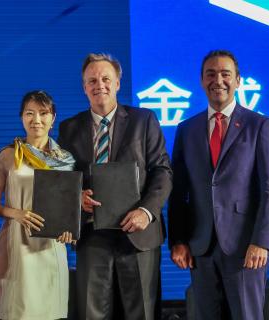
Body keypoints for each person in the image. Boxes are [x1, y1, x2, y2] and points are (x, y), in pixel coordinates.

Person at [168, 50, 269, 320]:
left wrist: (262, 242)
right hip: (201, 248)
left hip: (246, 248)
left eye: (225, 74)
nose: (217, 80)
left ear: (238, 81)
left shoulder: (259, 125)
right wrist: (178, 240)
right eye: (210, 74)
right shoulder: (186, 129)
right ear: (201, 81)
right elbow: (178, 192)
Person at [58, 53, 172, 320]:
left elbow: (163, 171)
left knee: (141, 312)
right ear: (84, 87)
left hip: (138, 234)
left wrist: (146, 211)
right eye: (92, 80)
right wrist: (76, 196)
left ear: (118, 83)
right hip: (91, 234)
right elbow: (62, 180)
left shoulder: (144, 121)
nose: (100, 85)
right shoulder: (68, 128)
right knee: (91, 312)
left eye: (106, 78)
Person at [0, 90, 76, 320]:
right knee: (20, 311)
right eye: (30, 113)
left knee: (51, 311)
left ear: (53, 118)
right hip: (18, 245)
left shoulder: (65, 160)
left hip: (52, 247)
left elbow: (70, 207)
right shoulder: (9, 156)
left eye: (43, 113)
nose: (36, 120)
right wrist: (14, 213)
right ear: (21, 118)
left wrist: (69, 231)